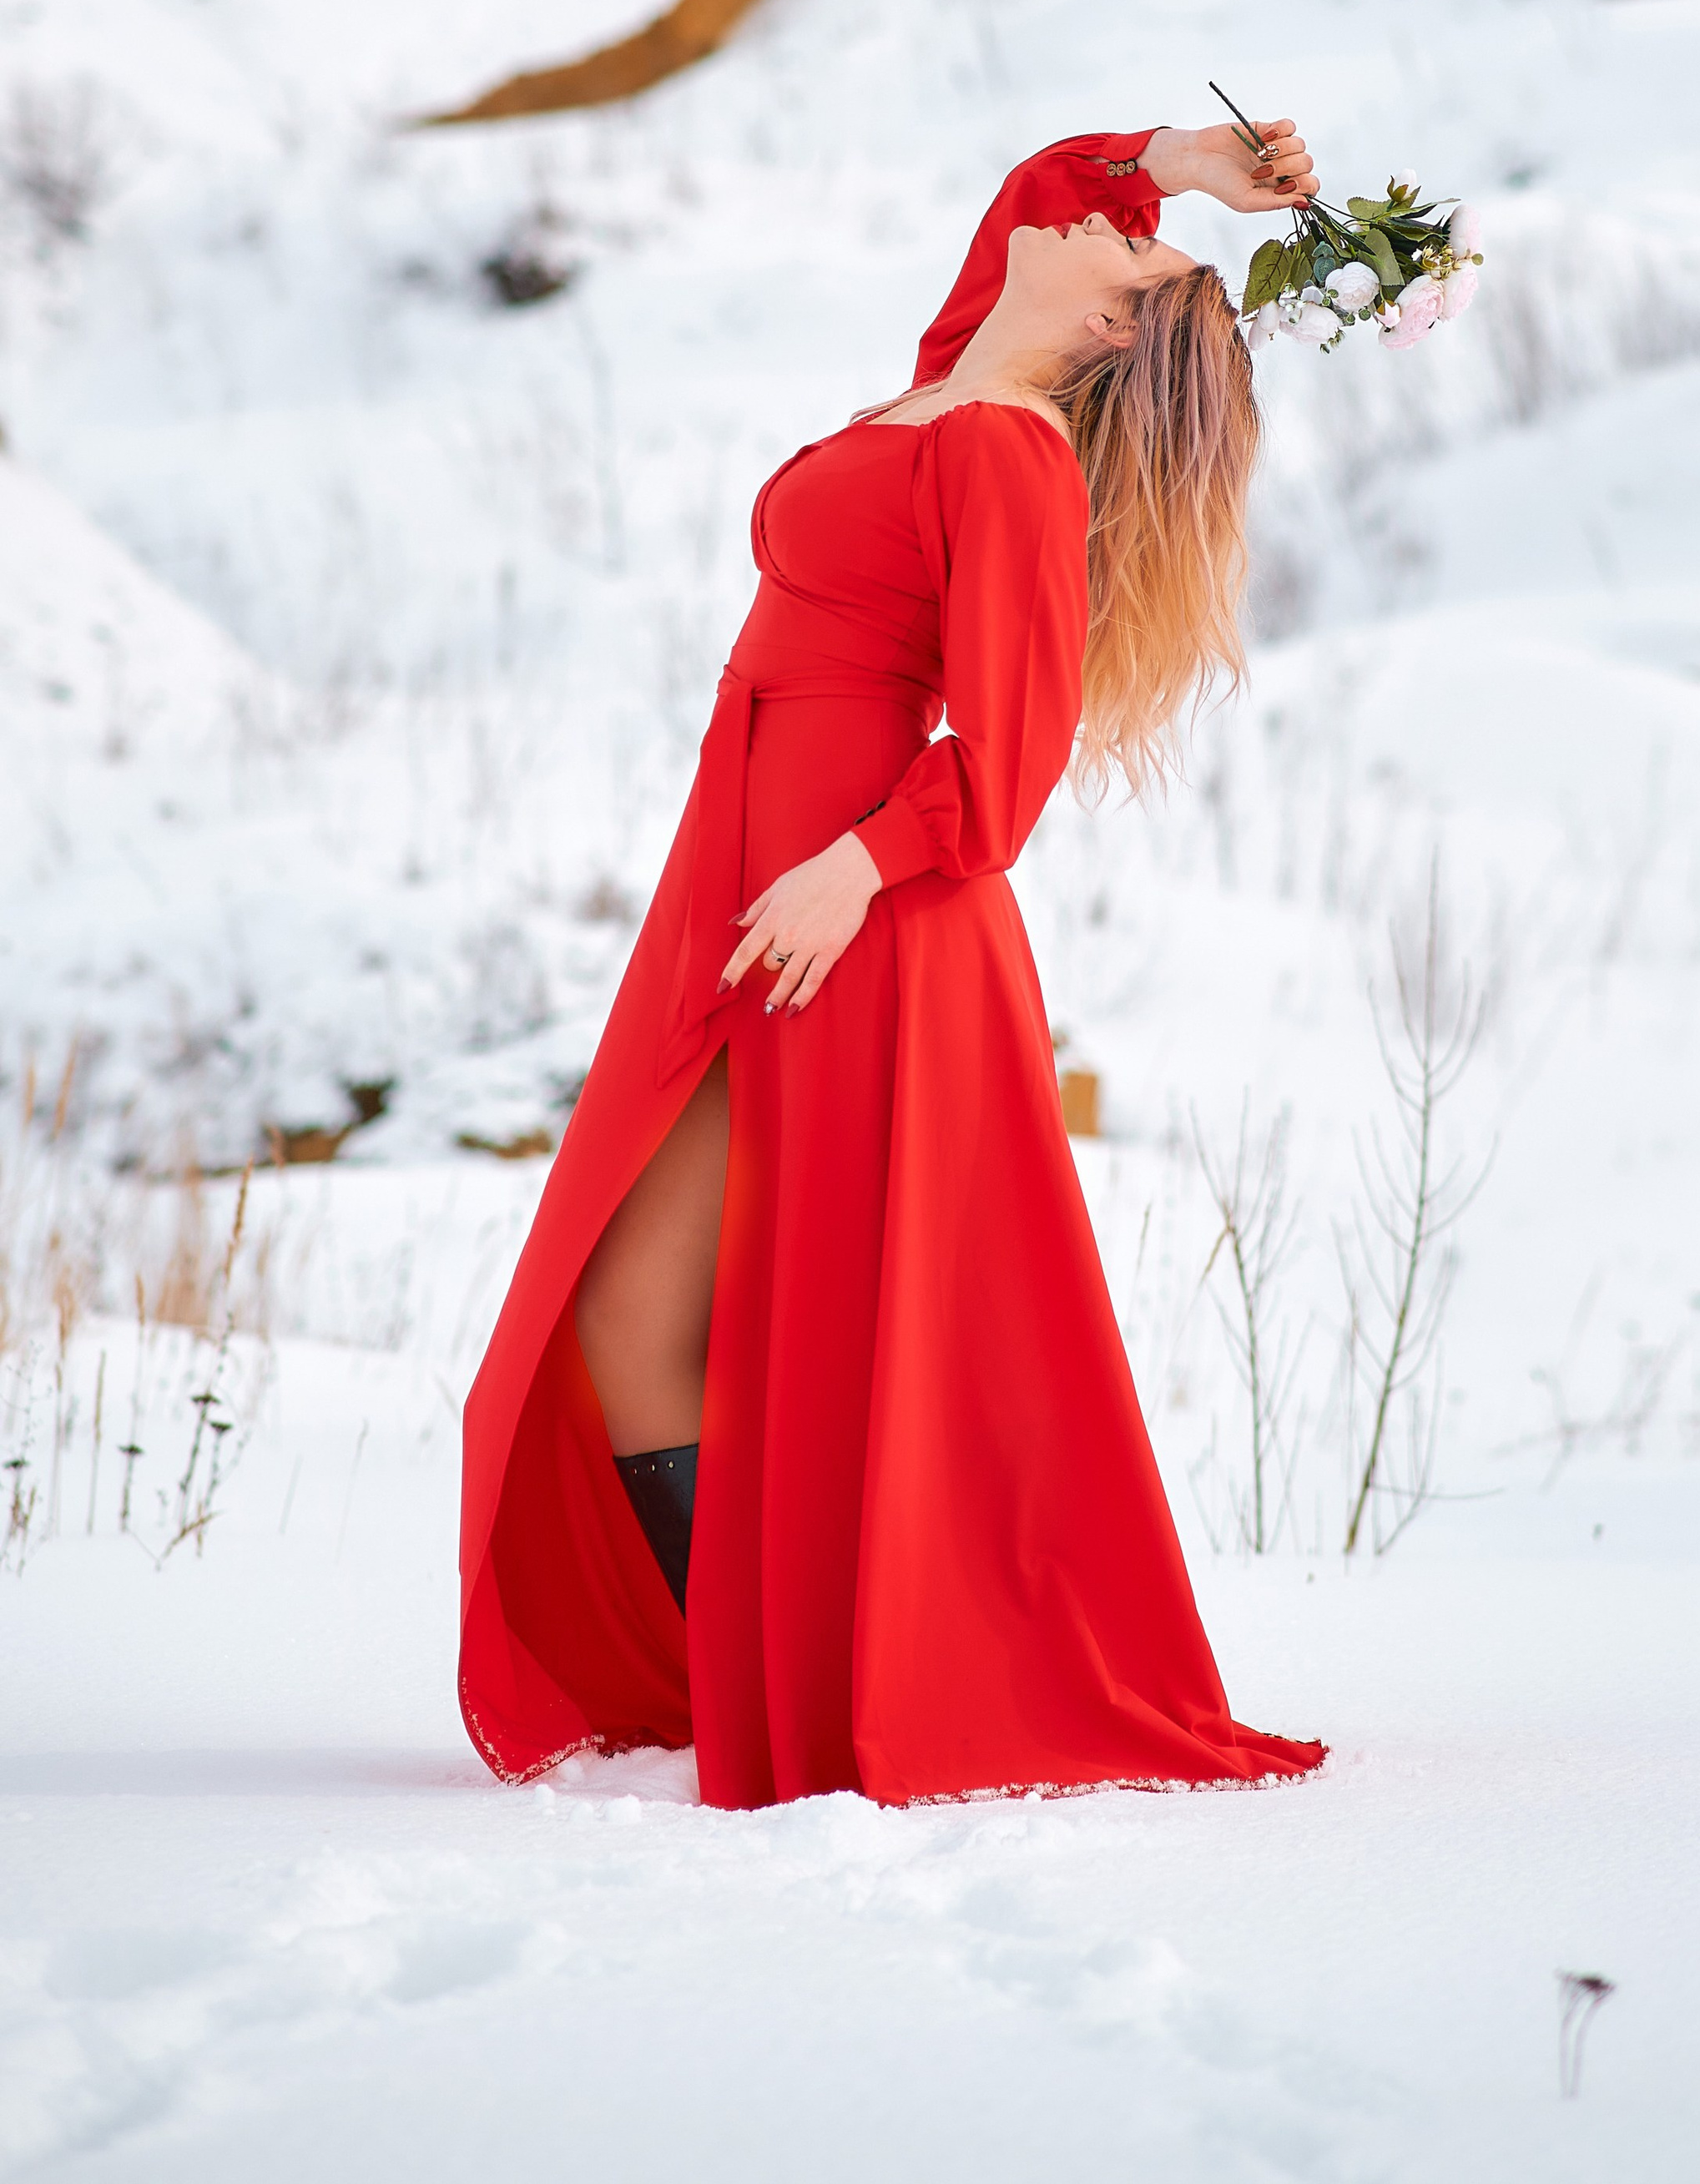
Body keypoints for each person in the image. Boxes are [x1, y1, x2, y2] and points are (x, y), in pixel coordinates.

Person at [457, 118, 1328, 1805]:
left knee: (765, 1313)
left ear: (1101, 327)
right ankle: (762, 1667)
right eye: (1143, 233)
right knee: (622, 1308)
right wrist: (1191, 158)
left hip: (857, 918)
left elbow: (1011, 758)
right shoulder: (943, 387)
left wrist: (848, 874)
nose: (1116, 225)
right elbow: (1042, 189)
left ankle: (812, 1690)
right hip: (746, 890)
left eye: (1135, 249)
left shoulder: (1006, 456)